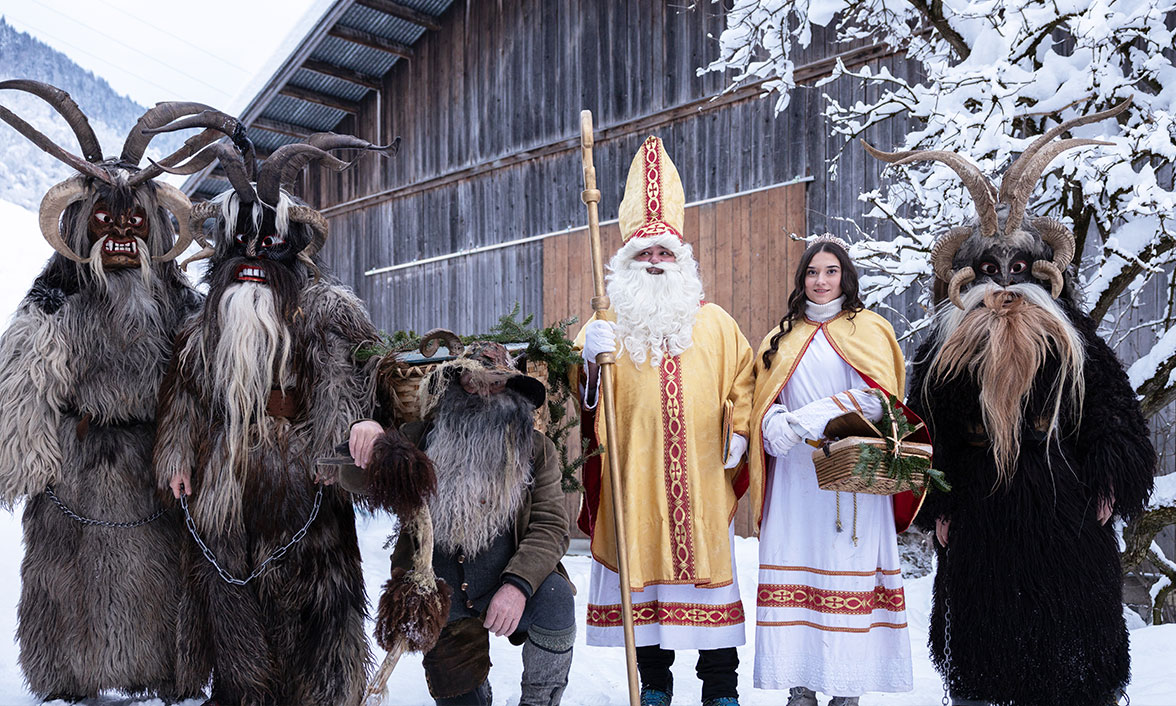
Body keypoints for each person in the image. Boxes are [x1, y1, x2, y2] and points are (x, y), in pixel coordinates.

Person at [868, 105, 1157, 706]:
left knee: (1075, 662)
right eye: (990, 269)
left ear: (1041, 269)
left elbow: (1116, 420)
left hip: (1066, 515)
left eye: (1017, 267)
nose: (1003, 283)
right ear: (967, 274)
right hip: (979, 521)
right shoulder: (942, 352)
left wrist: (1110, 480)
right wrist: (935, 504)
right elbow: (922, 432)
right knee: (985, 661)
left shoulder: (1076, 343)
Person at [0, 86, 226, 703]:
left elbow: (214, 361)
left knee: (161, 575)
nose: (122, 231)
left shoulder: (178, 300)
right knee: (69, 576)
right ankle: (73, 677)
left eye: (135, 220)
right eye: (106, 218)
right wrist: (31, 455)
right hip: (77, 466)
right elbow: (24, 375)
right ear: (80, 223)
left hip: (158, 466)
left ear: (155, 227)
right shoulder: (57, 295)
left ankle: (163, 671)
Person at [153, 135, 391, 705]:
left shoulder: (329, 311)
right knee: (233, 608)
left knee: (314, 611)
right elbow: (184, 399)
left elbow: (359, 382)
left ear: (292, 247)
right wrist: (177, 457)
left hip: (304, 483)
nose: (255, 255)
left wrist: (348, 438)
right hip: (224, 484)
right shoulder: (200, 329)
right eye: (243, 243)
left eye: (270, 242)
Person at [574, 136, 755, 706]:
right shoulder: (605, 326)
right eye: (644, 254)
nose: (655, 262)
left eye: (664, 254)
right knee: (643, 578)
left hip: (702, 479)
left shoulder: (718, 324)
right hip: (639, 480)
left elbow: (746, 382)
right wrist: (587, 362)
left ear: (683, 262)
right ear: (626, 262)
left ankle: (720, 688)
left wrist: (742, 431)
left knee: (711, 583)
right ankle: (653, 684)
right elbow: (576, 403)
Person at [345, 340, 576, 706]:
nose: (483, 391)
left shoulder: (535, 449)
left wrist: (517, 586)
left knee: (556, 598)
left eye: (496, 382)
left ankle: (539, 701)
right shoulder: (419, 440)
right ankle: (475, 690)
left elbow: (550, 526)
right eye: (473, 381)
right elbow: (356, 479)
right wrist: (368, 433)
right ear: (456, 383)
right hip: (439, 595)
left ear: (512, 388)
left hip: (507, 581)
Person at [747, 236, 924, 705]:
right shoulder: (779, 337)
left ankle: (846, 691)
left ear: (845, 276)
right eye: (811, 272)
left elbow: (882, 400)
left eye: (829, 271)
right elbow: (756, 399)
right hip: (794, 480)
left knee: (847, 568)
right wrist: (772, 422)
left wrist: (813, 414)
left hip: (852, 477)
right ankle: (800, 687)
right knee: (798, 570)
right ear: (801, 279)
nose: (820, 281)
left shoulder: (869, 329)